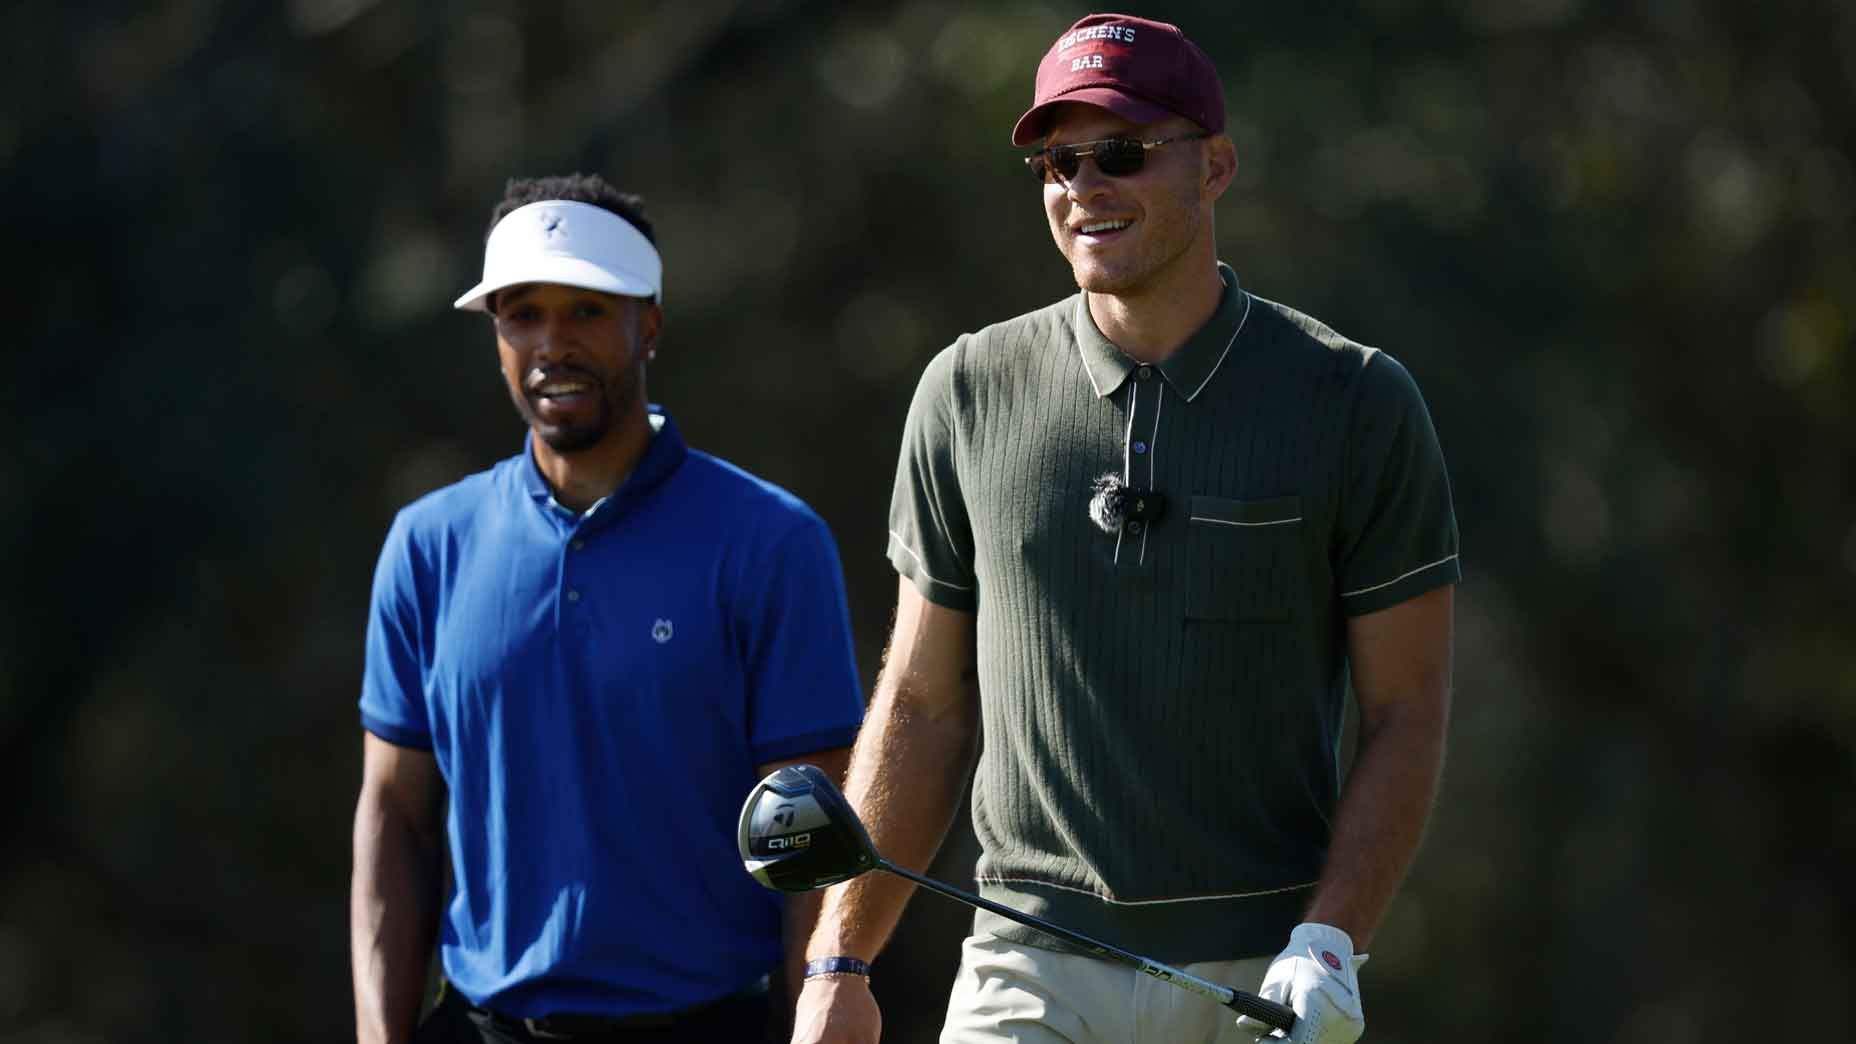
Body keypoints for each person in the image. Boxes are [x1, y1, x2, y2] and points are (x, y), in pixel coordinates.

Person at [792, 14, 1458, 1044]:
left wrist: (1330, 940)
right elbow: (921, 704)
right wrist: (840, 958)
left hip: (1262, 976)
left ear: (1215, 166)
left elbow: (1405, 713)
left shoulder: (1354, 400)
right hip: (1025, 965)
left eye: (1121, 153)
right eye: (1058, 164)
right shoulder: (966, 390)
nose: (1084, 187)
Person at [351, 174, 865, 1044]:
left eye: (587, 312)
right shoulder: (428, 545)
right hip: (485, 1025)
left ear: (648, 325)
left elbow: (812, 837)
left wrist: (817, 1010)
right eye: (523, 315)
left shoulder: (771, 542)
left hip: (707, 1026)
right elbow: (395, 811)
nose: (553, 344)